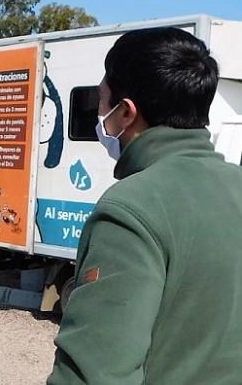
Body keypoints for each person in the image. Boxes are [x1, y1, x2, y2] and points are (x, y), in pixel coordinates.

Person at [48, 27, 242, 384]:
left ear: (126, 113)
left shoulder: (131, 209)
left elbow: (97, 374)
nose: (98, 114)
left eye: (101, 102)